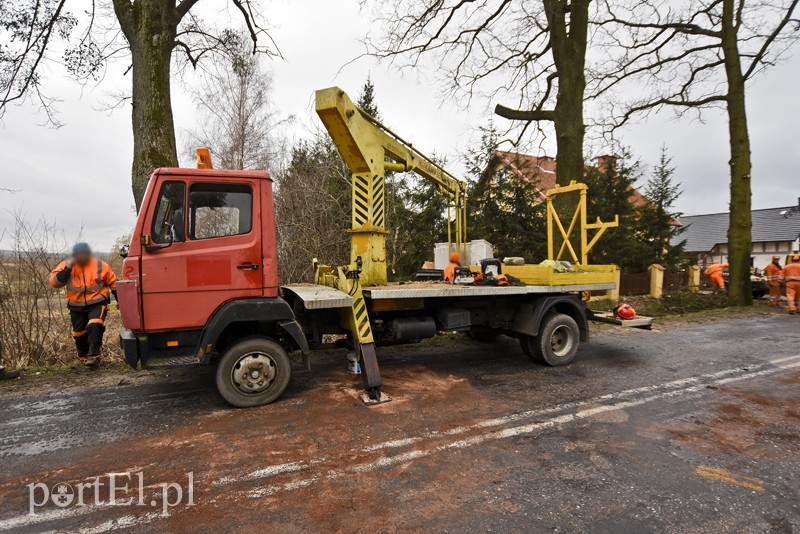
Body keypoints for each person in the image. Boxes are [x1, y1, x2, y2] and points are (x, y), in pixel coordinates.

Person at [50, 243, 117, 366]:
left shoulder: (101, 265)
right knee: (79, 334)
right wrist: (68, 268)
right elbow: (55, 282)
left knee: (94, 325)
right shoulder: (65, 265)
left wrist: (121, 300)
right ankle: (84, 359)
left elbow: (114, 283)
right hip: (76, 305)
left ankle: (94, 356)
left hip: (97, 302)